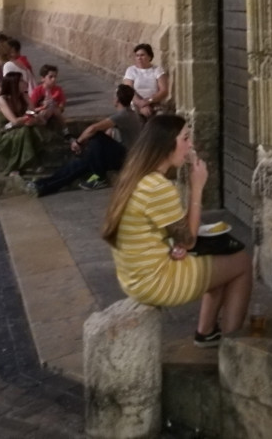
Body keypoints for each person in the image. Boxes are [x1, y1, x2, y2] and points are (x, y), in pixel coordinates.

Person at [102, 115, 252, 347]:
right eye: (185, 138)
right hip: (156, 281)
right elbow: (189, 240)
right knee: (241, 263)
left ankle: (207, 333)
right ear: (166, 144)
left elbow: (163, 232)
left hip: (133, 276)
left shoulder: (136, 177)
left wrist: (173, 246)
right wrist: (197, 187)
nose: (190, 145)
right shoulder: (158, 188)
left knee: (220, 257)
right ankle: (234, 348)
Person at [27, 84, 143, 197]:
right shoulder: (128, 114)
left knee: (96, 136)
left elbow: (93, 128)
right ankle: (42, 186)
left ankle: (100, 177)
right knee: (78, 165)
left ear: (117, 99)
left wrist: (78, 142)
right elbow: (110, 132)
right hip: (122, 155)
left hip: (126, 158)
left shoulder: (124, 115)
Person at [0, 68, 41, 180]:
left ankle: (30, 162)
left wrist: (27, 99)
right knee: (24, 131)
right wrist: (29, 117)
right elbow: (14, 121)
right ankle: (14, 166)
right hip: (5, 133)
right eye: (21, 81)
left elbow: (33, 112)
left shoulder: (22, 97)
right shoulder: (2, 100)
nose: (25, 82)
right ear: (14, 84)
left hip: (20, 128)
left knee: (33, 130)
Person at [123, 43, 169, 117]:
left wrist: (148, 101)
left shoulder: (157, 70)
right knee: (137, 118)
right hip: (135, 104)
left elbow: (164, 90)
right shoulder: (131, 70)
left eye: (142, 55)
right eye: (137, 55)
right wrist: (140, 105)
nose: (139, 58)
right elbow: (128, 90)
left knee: (160, 118)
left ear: (149, 57)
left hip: (154, 102)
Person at [29, 64, 69, 134]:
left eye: (55, 77)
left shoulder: (58, 90)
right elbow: (31, 109)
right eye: (50, 77)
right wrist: (43, 107)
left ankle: (66, 132)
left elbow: (61, 107)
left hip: (54, 113)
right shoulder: (37, 91)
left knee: (53, 109)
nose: (53, 79)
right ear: (43, 78)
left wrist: (55, 106)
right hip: (40, 114)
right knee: (45, 111)